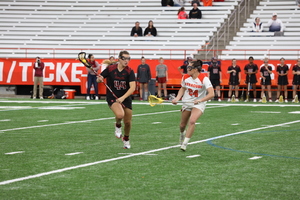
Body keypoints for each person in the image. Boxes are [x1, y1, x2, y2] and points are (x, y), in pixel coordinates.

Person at [171, 60, 214, 151]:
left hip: (199, 103)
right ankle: (182, 134)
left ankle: (185, 144)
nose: (188, 69)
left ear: (196, 69)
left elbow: (211, 94)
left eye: (190, 67)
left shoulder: (204, 79)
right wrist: (177, 99)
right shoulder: (185, 77)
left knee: (192, 121)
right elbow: (183, 88)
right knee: (182, 125)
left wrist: (200, 100)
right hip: (187, 102)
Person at [96, 50, 136, 149]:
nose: (126, 61)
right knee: (120, 114)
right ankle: (118, 125)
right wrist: (99, 79)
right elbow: (99, 78)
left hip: (125, 98)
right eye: (124, 59)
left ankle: (126, 139)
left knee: (127, 122)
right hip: (112, 97)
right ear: (119, 59)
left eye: (128, 59)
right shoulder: (110, 69)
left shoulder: (130, 71)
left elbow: (132, 88)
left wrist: (123, 98)